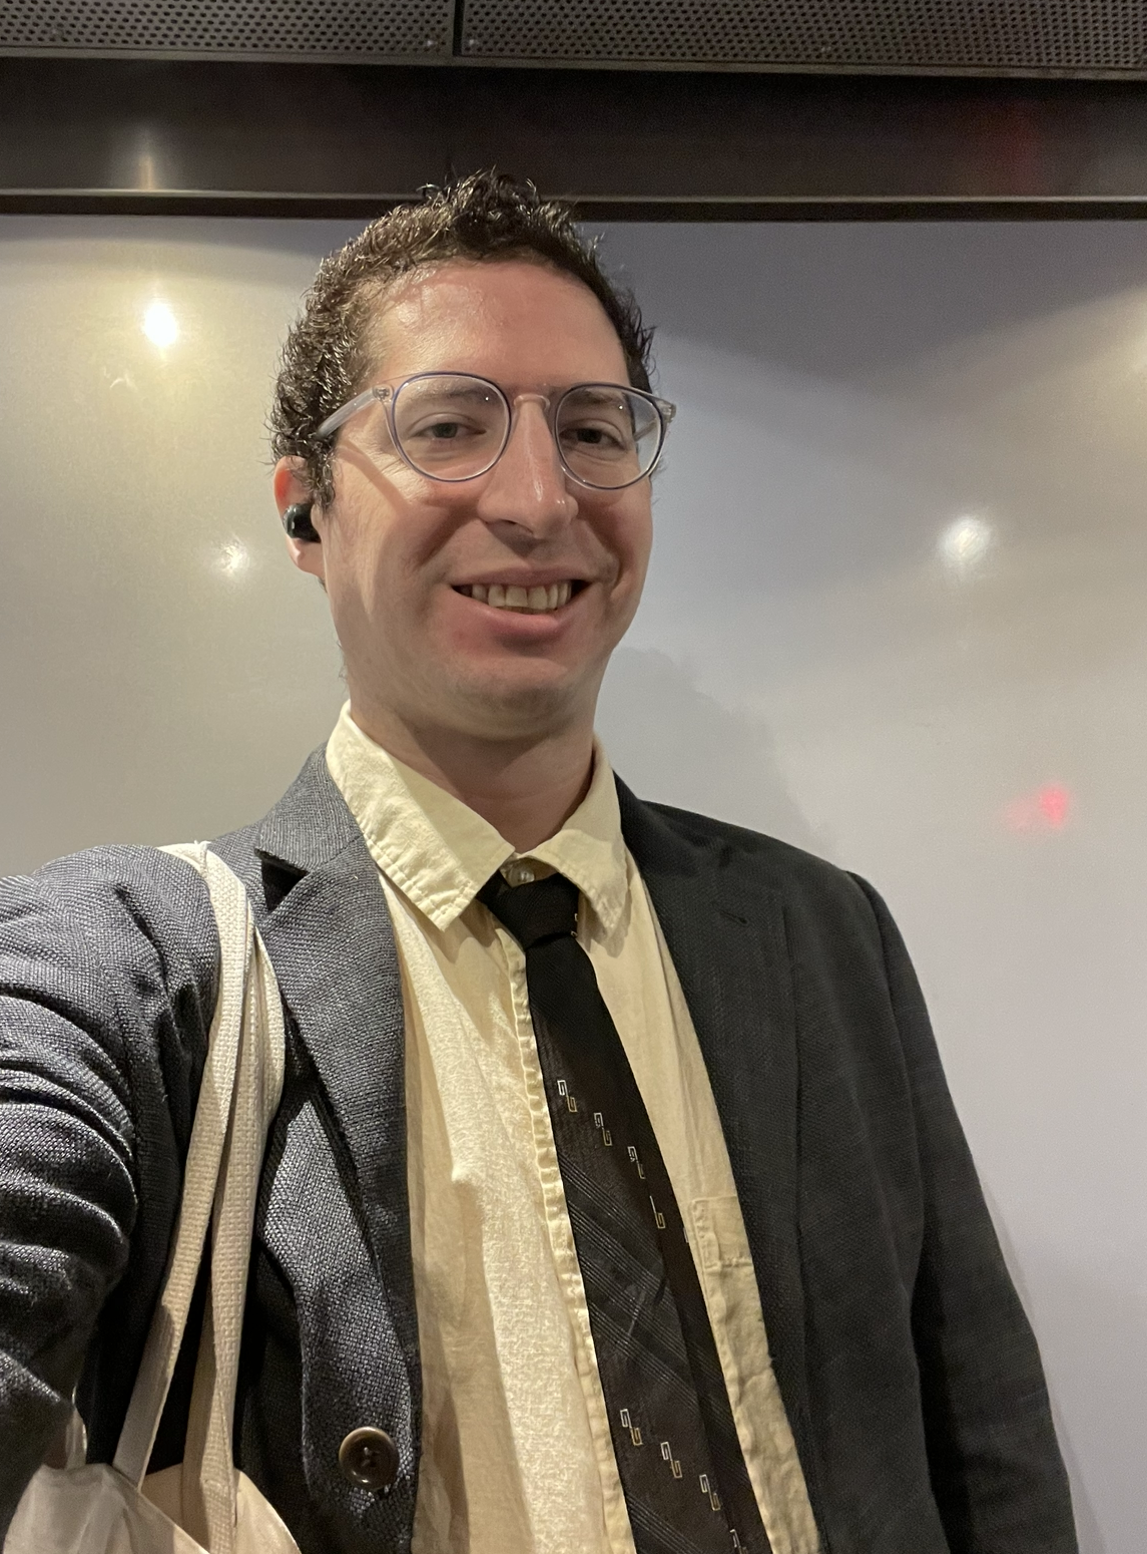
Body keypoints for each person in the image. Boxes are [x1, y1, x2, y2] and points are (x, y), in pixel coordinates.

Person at [0, 172, 1076, 1554]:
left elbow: (981, 1438)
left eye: (590, 427)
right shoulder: (143, 963)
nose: (536, 496)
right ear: (305, 512)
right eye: (447, 426)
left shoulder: (824, 935)